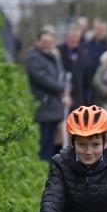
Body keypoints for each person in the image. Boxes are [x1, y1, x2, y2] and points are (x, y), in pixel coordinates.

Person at [25, 27, 69, 161]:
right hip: (45, 105)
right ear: (37, 42)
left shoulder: (52, 57)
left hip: (54, 106)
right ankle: (42, 169)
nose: (47, 45)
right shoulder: (34, 58)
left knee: (55, 142)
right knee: (45, 144)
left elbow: (60, 75)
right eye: (44, 42)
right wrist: (61, 89)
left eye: (50, 42)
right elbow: (42, 78)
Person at [57, 24, 94, 109]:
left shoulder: (84, 55)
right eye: (72, 36)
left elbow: (87, 80)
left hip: (79, 100)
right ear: (66, 37)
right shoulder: (58, 52)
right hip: (60, 97)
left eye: (77, 36)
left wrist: (87, 102)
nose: (74, 39)